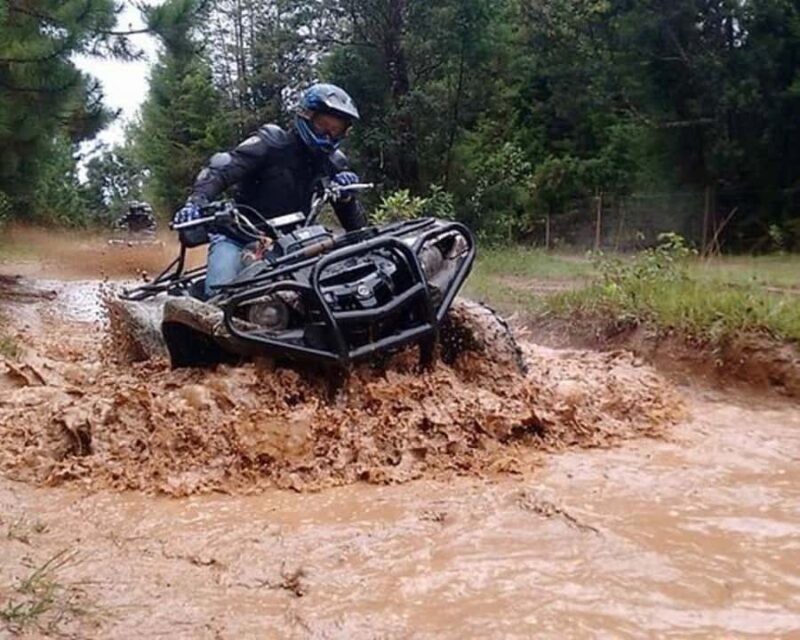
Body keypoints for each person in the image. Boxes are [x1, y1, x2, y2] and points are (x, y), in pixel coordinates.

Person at [172, 83, 366, 298]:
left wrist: (348, 197)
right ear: (306, 116)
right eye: (323, 125)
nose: (329, 135)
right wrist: (196, 202)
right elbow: (221, 169)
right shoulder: (270, 142)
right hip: (239, 236)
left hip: (296, 245)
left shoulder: (334, 163)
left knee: (329, 293)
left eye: (336, 130)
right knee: (220, 293)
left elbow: (356, 229)